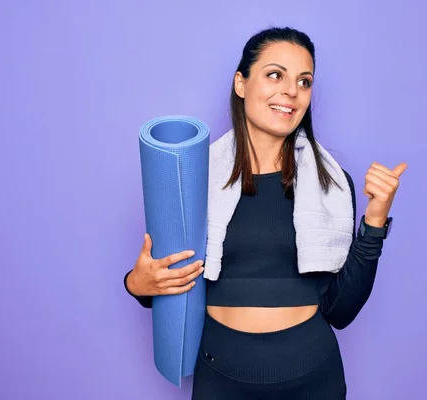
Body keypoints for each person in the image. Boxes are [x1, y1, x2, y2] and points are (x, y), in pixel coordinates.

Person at [124, 26, 407, 399]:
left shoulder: (333, 185)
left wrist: (374, 220)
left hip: (313, 377)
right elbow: (168, 274)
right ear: (241, 84)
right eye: (275, 75)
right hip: (220, 378)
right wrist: (136, 285)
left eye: (304, 82)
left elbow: (341, 311)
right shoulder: (195, 178)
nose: (291, 90)